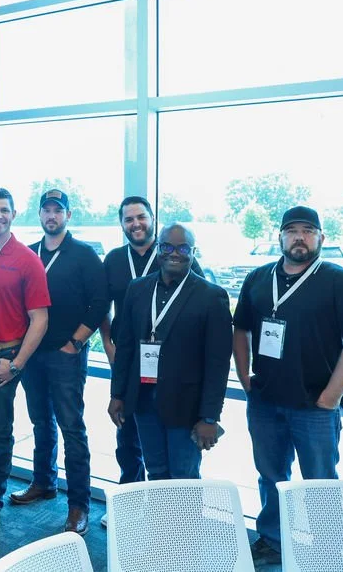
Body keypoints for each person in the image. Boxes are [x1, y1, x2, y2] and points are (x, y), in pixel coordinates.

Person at [233, 206, 343, 568]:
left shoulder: (340, 281)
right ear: (279, 237)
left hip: (315, 405)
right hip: (264, 401)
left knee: (320, 482)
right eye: (292, 230)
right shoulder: (257, 278)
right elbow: (241, 329)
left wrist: (330, 396)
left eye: (309, 231)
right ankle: (273, 539)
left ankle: (328, 551)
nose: (300, 237)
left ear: (321, 238)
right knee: (270, 476)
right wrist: (244, 375)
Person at [8, 189, 109, 537]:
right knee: (40, 422)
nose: (52, 216)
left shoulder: (82, 254)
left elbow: (100, 302)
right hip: (32, 353)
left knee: (71, 427)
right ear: (38, 215)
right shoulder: (30, 252)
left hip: (66, 355)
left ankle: (78, 504)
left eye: (58, 211)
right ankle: (44, 482)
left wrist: (76, 342)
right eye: (46, 210)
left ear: (68, 215)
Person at [98, 196, 204, 526]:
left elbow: (200, 305)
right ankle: (130, 501)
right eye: (128, 219)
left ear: (152, 219)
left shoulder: (175, 254)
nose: (135, 224)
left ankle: (176, 518)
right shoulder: (114, 259)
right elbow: (103, 306)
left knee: (173, 444)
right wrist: (107, 344)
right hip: (129, 361)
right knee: (128, 435)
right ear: (122, 224)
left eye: (141, 217)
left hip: (171, 369)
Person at [108, 223, 233, 481]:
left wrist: (209, 416)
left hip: (186, 406)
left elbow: (218, 364)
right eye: (167, 247)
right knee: (155, 472)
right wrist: (117, 394)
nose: (174, 253)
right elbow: (126, 347)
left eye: (183, 247)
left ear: (193, 251)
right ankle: (159, 523)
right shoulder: (138, 289)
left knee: (183, 477)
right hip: (142, 400)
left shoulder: (212, 297)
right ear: (157, 250)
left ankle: (186, 524)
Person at [0, 187, 50, 534]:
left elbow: (40, 319)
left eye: (4, 210)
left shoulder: (27, 258)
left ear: (14, 214)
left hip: (4, 359)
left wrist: (16, 364)